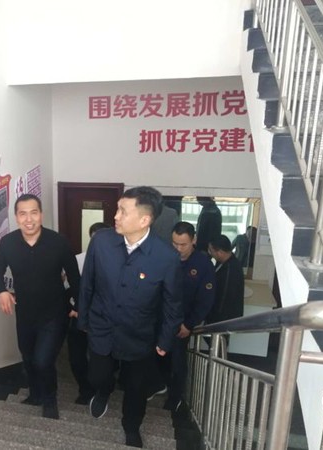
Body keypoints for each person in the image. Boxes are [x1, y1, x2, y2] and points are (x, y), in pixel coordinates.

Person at [78, 186, 183, 448]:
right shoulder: (101, 242)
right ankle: (103, 391)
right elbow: (87, 283)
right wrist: (83, 319)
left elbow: (173, 304)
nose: (115, 216)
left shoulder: (166, 257)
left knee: (136, 388)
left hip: (139, 334)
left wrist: (165, 339)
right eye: (117, 209)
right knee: (98, 375)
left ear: (144, 219)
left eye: (123, 211)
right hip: (102, 326)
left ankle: (131, 426)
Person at [0, 194, 80, 420]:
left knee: (43, 360)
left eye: (33, 213)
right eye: (23, 214)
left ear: (41, 214)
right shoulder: (8, 243)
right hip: (25, 313)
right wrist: (1, 290)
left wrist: (79, 305)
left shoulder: (58, 242)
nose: (28, 219)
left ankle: (50, 400)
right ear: (16, 217)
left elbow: (74, 277)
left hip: (54, 313)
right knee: (28, 357)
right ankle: (36, 394)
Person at [164, 221, 215, 412]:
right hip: (162, 319)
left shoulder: (203, 264)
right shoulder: (167, 257)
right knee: (158, 357)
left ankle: (175, 397)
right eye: (175, 243)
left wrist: (189, 324)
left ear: (194, 240)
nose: (178, 249)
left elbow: (206, 300)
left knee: (177, 362)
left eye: (183, 244)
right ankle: (159, 384)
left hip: (183, 323)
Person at [66, 222, 111, 405]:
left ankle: (102, 389)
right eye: (94, 240)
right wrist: (73, 309)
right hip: (78, 316)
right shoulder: (77, 260)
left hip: (102, 320)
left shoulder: (118, 261)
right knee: (76, 357)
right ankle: (85, 390)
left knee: (101, 358)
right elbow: (65, 287)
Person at [206, 235, 245, 325]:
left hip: (223, 320)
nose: (210, 253)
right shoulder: (223, 262)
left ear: (220, 252)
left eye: (211, 251)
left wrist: (211, 319)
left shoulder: (231, 270)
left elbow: (224, 299)